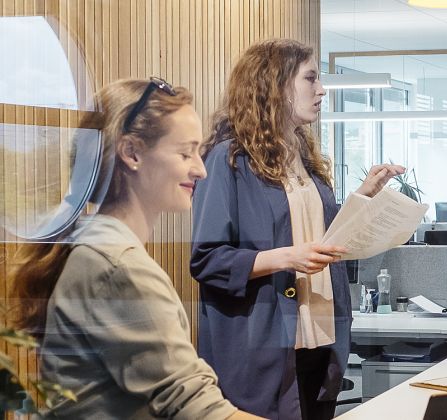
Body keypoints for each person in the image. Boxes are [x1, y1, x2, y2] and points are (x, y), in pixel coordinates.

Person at [9, 78, 262, 419]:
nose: (200, 169)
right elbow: (197, 409)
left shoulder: (95, 244)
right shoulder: (116, 267)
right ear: (131, 153)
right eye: (185, 153)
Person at [190, 39, 404, 420]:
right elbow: (208, 260)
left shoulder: (303, 158)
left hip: (319, 339)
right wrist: (288, 258)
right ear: (276, 85)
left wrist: (365, 196)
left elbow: (317, 235)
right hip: (264, 347)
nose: (321, 90)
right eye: (310, 79)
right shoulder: (228, 159)